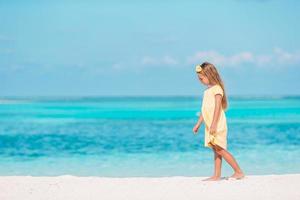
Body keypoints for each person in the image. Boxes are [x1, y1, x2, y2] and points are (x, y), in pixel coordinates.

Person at [192, 62, 245, 181]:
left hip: (217, 124)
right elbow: (204, 110)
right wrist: (198, 124)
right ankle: (216, 175)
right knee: (216, 149)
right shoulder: (206, 92)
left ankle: (238, 171)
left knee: (220, 149)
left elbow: (217, 108)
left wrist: (214, 124)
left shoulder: (217, 89)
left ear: (209, 75)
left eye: (201, 78)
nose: (200, 81)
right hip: (209, 125)